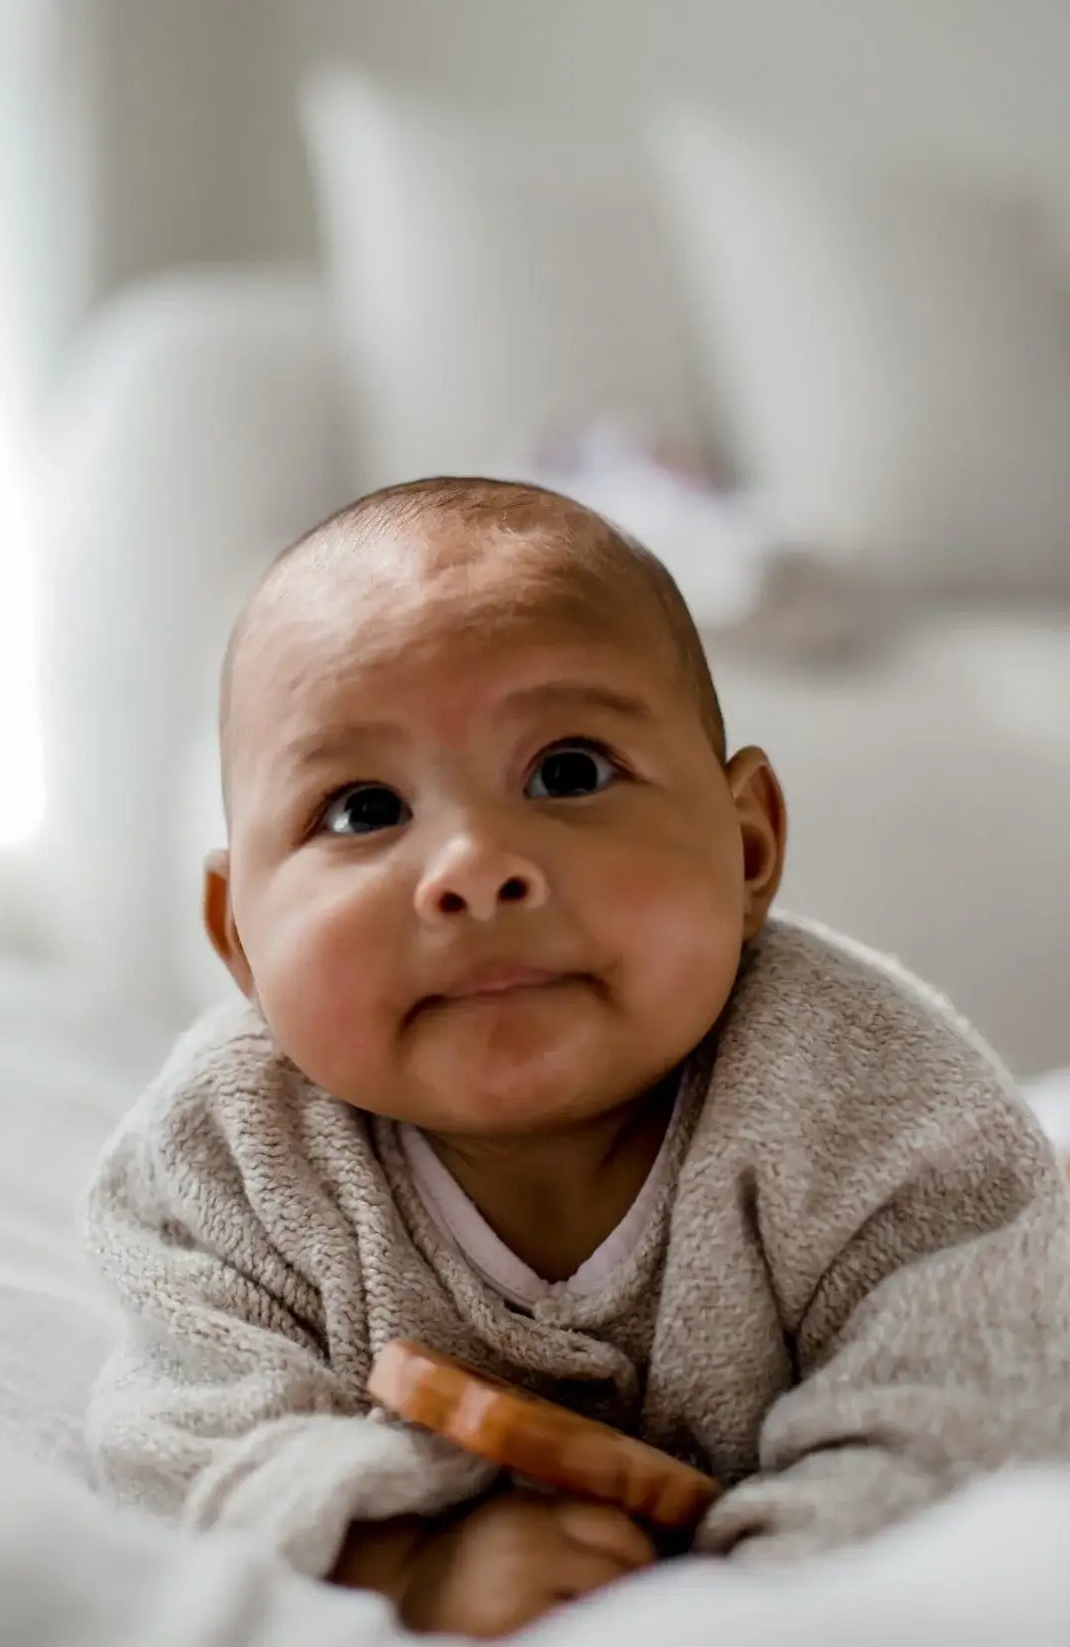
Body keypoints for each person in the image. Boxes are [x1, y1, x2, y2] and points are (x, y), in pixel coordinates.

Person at [85, 477, 1070, 1639]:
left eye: (567, 773)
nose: (474, 866)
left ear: (747, 845)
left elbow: (972, 1396)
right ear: (238, 936)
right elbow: (182, 1432)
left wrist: (752, 1602)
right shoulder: (230, 1146)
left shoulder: (879, 1095)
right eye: (360, 809)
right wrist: (404, 1558)